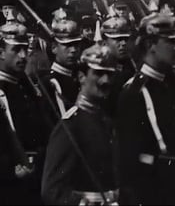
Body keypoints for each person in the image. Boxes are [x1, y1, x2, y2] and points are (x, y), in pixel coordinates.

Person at [117, 13, 175, 205]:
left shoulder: (171, 83)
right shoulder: (135, 92)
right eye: (169, 42)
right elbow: (130, 157)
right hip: (154, 190)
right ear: (150, 45)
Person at [41, 43, 119, 206]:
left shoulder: (106, 121)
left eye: (109, 74)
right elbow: (51, 191)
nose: (105, 80)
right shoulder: (70, 126)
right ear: (82, 76)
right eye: (98, 73)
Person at [0, 19, 49, 205]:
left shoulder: (24, 86)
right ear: (1, 52)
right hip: (9, 184)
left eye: (24, 49)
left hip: (35, 175)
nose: (23, 55)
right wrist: (9, 171)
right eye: (15, 50)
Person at [41, 14, 82, 123]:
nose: (73, 50)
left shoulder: (82, 74)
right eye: (68, 45)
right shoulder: (50, 83)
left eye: (76, 44)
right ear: (54, 48)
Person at [101, 15, 137, 117]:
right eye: (117, 39)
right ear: (104, 43)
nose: (123, 43)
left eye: (125, 39)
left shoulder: (131, 64)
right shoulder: (101, 73)